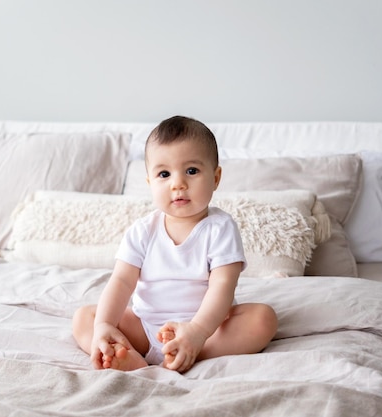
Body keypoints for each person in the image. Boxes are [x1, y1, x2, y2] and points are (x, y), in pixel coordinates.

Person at [72, 115, 278, 373]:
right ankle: (132, 355)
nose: (178, 183)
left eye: (192, 171)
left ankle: (190, 354)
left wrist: (198, 331)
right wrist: (104, 325)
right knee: (85, 319)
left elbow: (223, 285)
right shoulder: (142, 231)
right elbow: (121, 282)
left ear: (215, 178)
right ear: (150, 183)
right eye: (164, 174)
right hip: (146, 328)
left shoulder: (220, 228)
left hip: (205, 330)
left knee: (262, 319)